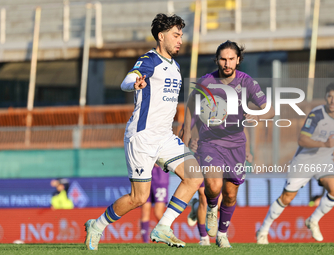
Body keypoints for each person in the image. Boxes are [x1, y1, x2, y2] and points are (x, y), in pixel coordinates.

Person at [83, 13, 203, 250]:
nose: (180, 40)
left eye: (181, 35)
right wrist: (134, 83)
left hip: (165, 136)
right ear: (161, 36)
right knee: (139, 198)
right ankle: (96, 226)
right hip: (142, 137)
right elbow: (127, 80)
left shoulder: (176, 67)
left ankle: (163, 227)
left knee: (195, 177)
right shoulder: (149, 60)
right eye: (175, 35)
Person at [184, 40, 275, 248]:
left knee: (231, 194)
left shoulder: (247, 82)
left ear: (238, 60)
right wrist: (187, 129)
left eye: (231, 59)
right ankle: (211, 209)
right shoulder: (206, 82)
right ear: (217, 60)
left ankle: (222, 234)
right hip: (210, 142)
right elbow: (191, 103)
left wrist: (258, 116)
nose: (227, 63)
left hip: (236, 145)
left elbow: (269, 109)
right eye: (223, 59)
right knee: (213, 186)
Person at [256, 83, 334, 244]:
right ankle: (263, 230)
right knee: (287, 198)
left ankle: (313, 220)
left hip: (325, 161)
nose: (332, 100)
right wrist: (325, 144)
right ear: (326, 98)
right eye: (330, 96)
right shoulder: (317, 115)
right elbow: (302, 139)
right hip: (305, 161)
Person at [187, 129, 253, 246]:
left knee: (220, 200)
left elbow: (242, 126)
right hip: (207, 149)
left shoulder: (236, 111)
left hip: (230, 151)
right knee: (204, 195)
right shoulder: (203, 110)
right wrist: (191, 141)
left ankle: (196, 207)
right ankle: (204, 238)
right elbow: (191, 122)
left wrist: (246, 150)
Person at [140, 164, 169, 243]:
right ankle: (145, 241)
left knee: (158, 213)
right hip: (146, 178)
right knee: (145, 211)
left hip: (160, 179)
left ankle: (166, 236)